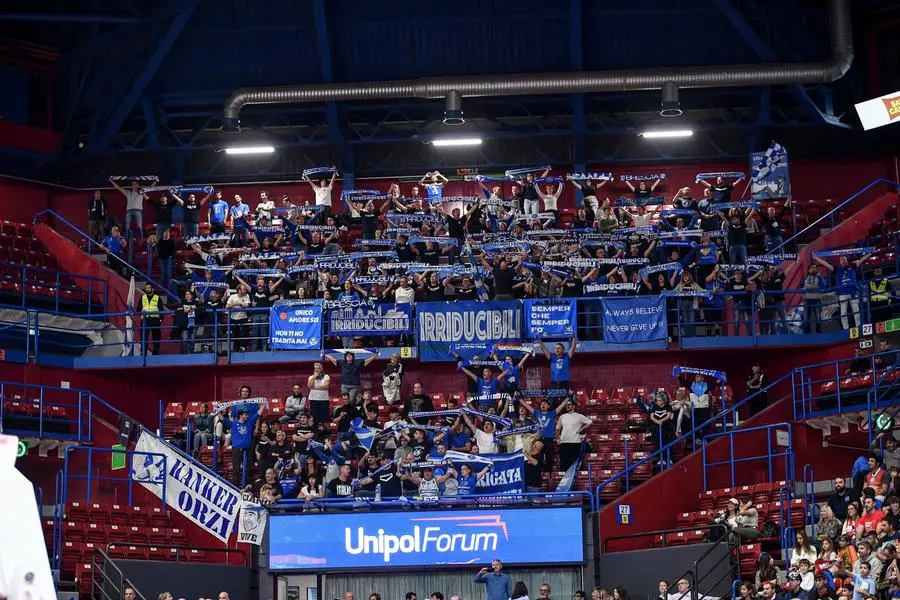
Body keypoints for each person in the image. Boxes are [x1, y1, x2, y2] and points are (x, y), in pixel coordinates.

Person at [814, 251, 873, 331]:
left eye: (845, 259)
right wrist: (816, 257)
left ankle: (858, 326)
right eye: (842, 260)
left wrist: (869, 253)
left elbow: (861, 260)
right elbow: (825, 264)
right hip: (842, 294)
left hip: (852, 292)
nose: (844, 261)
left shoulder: (852, 266)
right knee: (843, 312)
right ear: (840, 262)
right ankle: (846, 328)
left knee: (856, 311)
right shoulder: (836, 269)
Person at [220, 407, 262, 486]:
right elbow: (222, 418)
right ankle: (235, 486)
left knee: (247, 468)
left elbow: (258, 414)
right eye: (246, 414)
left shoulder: (249, 422)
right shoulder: (233, 424)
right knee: (236, 469)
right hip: (236, 448)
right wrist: (217, 410)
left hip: (248, 448)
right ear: (241, 415)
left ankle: (245, 485)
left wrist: (263, 405)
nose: (247, 416)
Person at [556, 399, 592, 471]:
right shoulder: (562, 417)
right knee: (564, 465)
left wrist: (581, 429)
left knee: (575, 465)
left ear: (574, 406)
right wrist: (557, 438)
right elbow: (557, 428)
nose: (567, 406)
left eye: (569, 404)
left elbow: (590, 422)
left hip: (575, 443)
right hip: (564, 444)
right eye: (566, 405)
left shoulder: (579, 416)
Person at [140, 283, 165, 355]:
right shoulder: (142, 297)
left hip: (155, 320)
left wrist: (160, 320)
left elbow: (161, 310)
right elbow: (138, 308)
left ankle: (155, 354)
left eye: (148, 288)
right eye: (146, 288)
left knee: (156, 338)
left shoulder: (157, 298)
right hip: (145, 320)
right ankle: (143, 354)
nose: (147, 289)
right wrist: (141, 311)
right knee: (143, 338)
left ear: (152, 289)